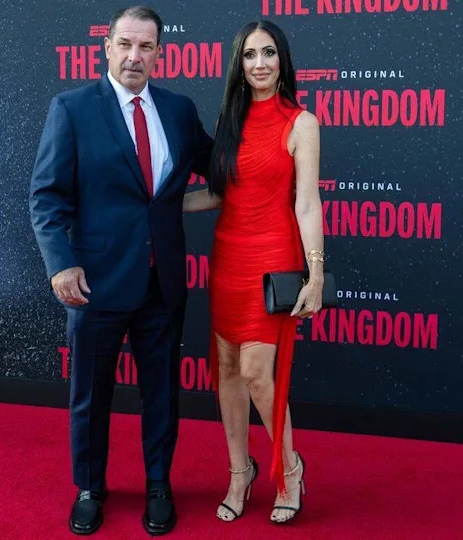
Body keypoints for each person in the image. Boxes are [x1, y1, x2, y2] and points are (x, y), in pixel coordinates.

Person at [29, 6, 212, 535]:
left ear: (159, 52)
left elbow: (219, 162)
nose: (135, 56)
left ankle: (159, 483)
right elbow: (45, 197)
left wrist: (276, 135)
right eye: (126, 45)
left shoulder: (178, 110)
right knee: (90, 393)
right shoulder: (72, 108)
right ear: (106, 47)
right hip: (95, 283)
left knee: (162, 393)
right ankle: (90, 487)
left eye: (146, 46)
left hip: (163, 282)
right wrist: (59, 266)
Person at [182, 20, 324, 524]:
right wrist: (157, 204)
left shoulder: (301, 122)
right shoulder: (231, 122)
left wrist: (316, 275)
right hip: (228, 259)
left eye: (268, 53)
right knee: (225, 373)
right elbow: (221, 193)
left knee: (259, 375)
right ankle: (239, 472)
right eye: (249, 55)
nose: (259, 63)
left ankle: (289, 469)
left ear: (282, 60)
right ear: (238, 66)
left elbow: (307, 204)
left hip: (274, 260)